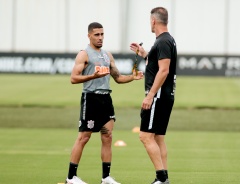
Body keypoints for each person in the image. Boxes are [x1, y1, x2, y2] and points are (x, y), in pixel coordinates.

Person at [65, 22, 143, 184]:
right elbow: (73, 78)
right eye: (96, 35)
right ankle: (71, 178)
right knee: (84, 138)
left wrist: (132, 77)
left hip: (106, 99)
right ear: (89, 36)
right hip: (91, 98)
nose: (100, 38)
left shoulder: (107, 55)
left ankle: (106, 177)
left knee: (107, 136)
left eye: (102, 35)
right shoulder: (84, 54)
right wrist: (92, 77)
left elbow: (118, 78)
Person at [130, 7, 177, 184]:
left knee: (145, 136)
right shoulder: (166, 40)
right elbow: (158, 65)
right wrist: (144, 55)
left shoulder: (163, 41)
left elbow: (163, 71)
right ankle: (165, 179)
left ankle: (161, 178)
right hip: (165, 96)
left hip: (158, 97)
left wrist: (150, 96)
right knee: (158, 138)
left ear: (153, 21)